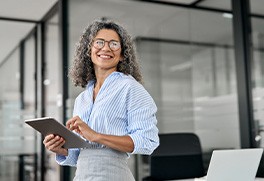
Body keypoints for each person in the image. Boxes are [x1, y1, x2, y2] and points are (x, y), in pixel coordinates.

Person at [43, 19, 159, 181]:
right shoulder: (82, 98)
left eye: (114, 44)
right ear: (88, 50)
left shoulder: (130, 88)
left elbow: (147, 142)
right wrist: (61, 149)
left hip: (113, 175)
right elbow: (80, 154)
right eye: (99, 42)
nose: (106, 48)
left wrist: (96, 135)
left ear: (123, 55)